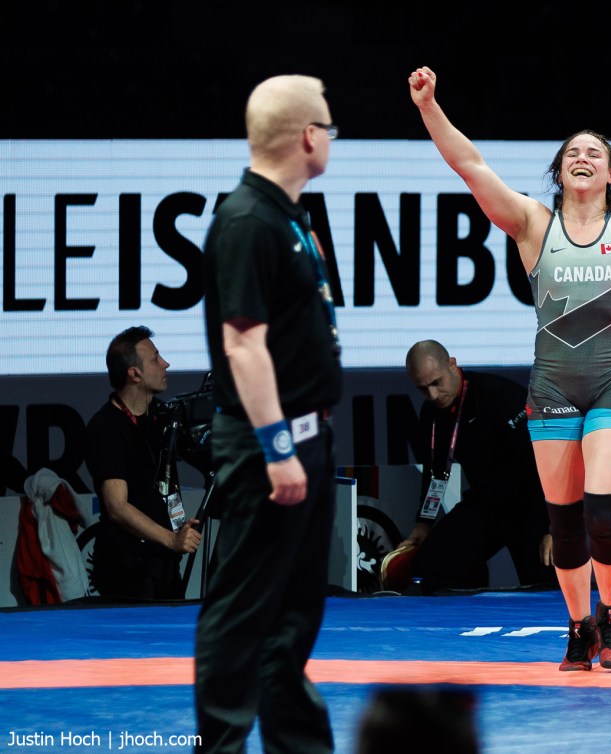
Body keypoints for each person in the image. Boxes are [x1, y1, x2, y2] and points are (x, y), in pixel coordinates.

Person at [409, 56, 611, 671]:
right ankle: (579, 626)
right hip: (554, 386)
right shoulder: (533, 225)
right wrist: (430, 105)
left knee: (602, 511)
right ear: (558, 173)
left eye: (595, 152)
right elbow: (469, 164)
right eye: (571, 153)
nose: (582, 156)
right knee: (563, 526)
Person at [194, 74, 342, 754]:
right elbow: (241, 343)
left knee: (292, 611)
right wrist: (278, 446)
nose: (331, 137)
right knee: (243, 607)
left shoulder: (285, 215)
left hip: (302, 438)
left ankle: (298, 745)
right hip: (268, 447)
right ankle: (220, 744)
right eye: (329, 126)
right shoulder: (249, 220)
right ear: (308, 135)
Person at [399, 340, 555, 594]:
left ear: (452, 365)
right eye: (423, 389)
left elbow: (545, 461)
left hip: (533, 507)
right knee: (431, 565)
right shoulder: (431, 415)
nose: (433, 396)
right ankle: (468, 623)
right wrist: (423, 524)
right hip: (487, 506)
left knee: (549, 583)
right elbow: (436, 472)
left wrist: (556, 525)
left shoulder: (499, 396)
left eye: (436, 383)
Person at [85, 326, 201, 600]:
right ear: (134, 373)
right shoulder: (106, 427)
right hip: (128, 570)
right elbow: (117, 507)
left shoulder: (161, 418)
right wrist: (171, 539)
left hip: (164, 564)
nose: (165, 364)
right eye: (155, 359)